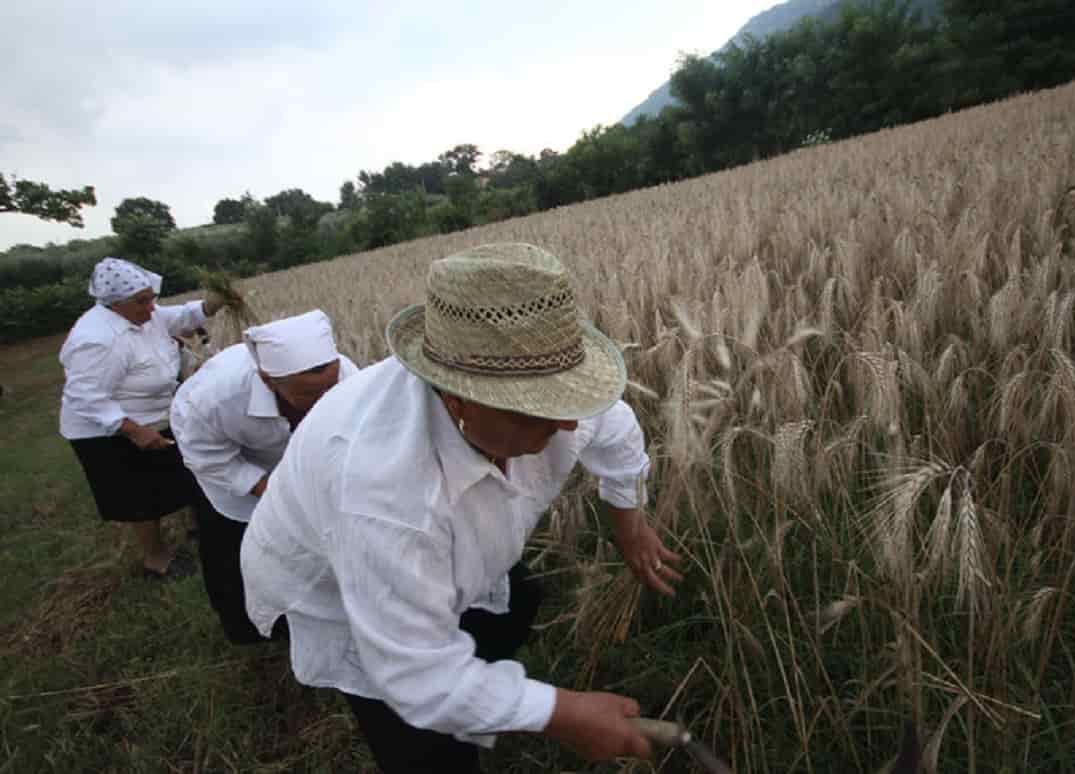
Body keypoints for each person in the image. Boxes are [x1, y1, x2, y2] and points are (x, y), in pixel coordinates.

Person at [241, 243, 683, 772]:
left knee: (514, 602)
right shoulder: (383, 493)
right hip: (337, 583)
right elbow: (416, 674)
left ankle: (482, 699)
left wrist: (629, 525)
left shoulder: (540, 403)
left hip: (422, 544)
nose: (568, 425)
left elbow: (616, 432)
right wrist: (562, 713)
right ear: (456, 398)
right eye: (541, 412)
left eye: (571, 401)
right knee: (421, 744)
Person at [170, 310, 359, 644]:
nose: (325, 399)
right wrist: (270, 489)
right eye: (309, 395)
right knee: (235, 546)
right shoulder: (215, 400)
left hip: (296, 457)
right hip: (231, 461)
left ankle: (318, 612)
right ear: (269, 380)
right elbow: (209, 456)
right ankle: (246, 627)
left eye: (330, 387)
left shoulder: (345, 374)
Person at [59, 257, 225, 579]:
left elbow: (178, 317)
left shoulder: (143, 313)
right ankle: (156, 560)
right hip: (105, 429)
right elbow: (85, 396)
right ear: (114, 303)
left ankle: (199, 526)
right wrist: (133, 430)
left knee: (185, 471)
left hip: (153, 413)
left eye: (152, 298)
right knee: (138, 496)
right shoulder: (96, 339)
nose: (151, 307)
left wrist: (211, 304)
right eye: (142, 301)